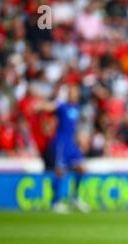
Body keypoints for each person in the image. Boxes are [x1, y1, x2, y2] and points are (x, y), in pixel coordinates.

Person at [37, 85, 90, 214]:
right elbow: (46, 107)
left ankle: (75, 198)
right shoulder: (62, 105)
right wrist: (41, 105)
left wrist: (80, 139)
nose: (74, 94)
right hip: (61, 142)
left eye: (75, 92)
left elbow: (75, 126)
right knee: (60, 171)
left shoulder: (77, 108)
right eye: (72, 92)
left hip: (71, 143)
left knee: (82, 168)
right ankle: (56, 202)